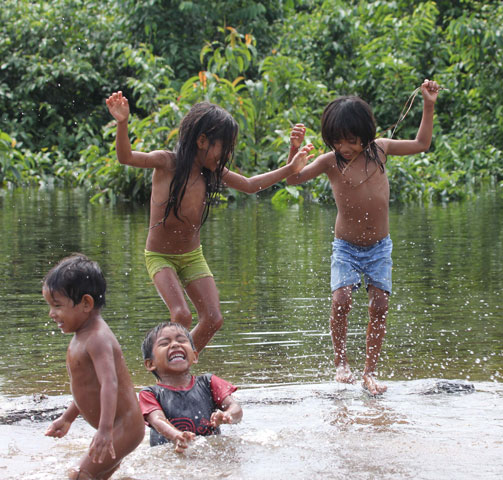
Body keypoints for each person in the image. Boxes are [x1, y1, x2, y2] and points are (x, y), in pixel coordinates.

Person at [106, 92, 313, 352]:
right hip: (160, 257)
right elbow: (126, 157)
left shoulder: (212, 172)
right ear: (202, 141)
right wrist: (122, 123)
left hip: (193, 257)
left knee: (214, 319)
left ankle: (178, 365)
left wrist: (290, 169)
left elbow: (249, 185)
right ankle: (167, 366)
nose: (224, 156)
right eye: (222, 148)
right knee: (181, 314)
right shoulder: (167, 162)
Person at [287, 80, 441, 395]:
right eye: (338, 142)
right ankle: (341, 361)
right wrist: (294, 151)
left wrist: (428, 103)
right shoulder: (329, 162)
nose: (345, 148)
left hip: (379, 247)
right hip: (345, 247)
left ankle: (370, 372)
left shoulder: (381, 149)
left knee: (380, 304)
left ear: (365, 134)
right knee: (341, 298)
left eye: (352, 141)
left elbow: (422, 144)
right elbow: (293, 177)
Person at [43, 254, 145, 480]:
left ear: (86, 303)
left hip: (123, 427)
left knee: (79, 475)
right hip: (117, 426)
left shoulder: (97, 338)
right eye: (50, 306)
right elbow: (88, 387)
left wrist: (105, 430)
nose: (52, 314)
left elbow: (109, 383)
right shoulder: (82, 334)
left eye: (57, 305)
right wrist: (68, 417)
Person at [139, 322, 242, 452]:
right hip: (172, 456)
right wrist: (176, 435)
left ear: (195, 356)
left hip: (210, 452)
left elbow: (236, 408)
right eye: (164, 343)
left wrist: (228, 415)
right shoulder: (149, 394)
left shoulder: (209, 382)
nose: (175, 344)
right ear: (150, 364)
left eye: (181, 340)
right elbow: (157, 419)